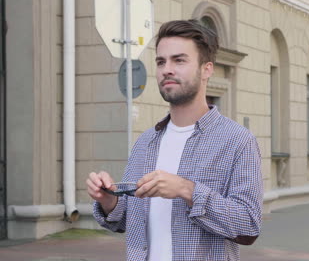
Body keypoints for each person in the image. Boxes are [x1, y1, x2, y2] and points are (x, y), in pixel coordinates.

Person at [86, 19, 263, 261]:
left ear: (206, 69)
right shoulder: (145, 143)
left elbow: (248, 226)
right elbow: (129, 221)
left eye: (179, 60)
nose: (167, 69)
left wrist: (186, 190)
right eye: (161, 61)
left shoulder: (237, 140)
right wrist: (109, 200)